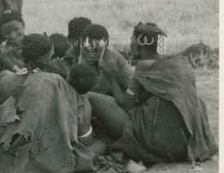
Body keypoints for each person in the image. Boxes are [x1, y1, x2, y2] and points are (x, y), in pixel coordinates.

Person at [87, 22, 217, 164]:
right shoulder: (179, 62)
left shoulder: (144, 66)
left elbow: (125, 104)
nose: (130, 44)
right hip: (188, 142)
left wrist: (112, 78)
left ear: (139, 44)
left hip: (160, 142)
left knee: (92, 98)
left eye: (132, 40)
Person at [0, 34, 95, 173]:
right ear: (47, 57)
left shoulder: (5, 79)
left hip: (9, 150)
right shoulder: (55, 82)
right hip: (45, 154)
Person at [80, 23, 132, 96]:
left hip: (125, 100)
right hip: (111, 97)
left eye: (96, 51)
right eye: (86, 50)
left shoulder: (110, 59)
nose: (91, 55)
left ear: (105, 46)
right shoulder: (85, 56)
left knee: (88, 96)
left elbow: (100, 90)